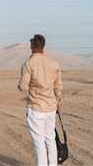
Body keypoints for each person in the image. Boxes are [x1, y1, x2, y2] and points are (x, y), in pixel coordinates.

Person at [18, 34, 63, 166]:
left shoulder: (28, 63)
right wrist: (58, 102)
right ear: (43, 46)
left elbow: (23, 86)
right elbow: (58, 87)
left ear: (32, 46)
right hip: (51, 108)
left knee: (39, 143)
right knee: (50, 139)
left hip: (36, 108)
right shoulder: (54, 63)